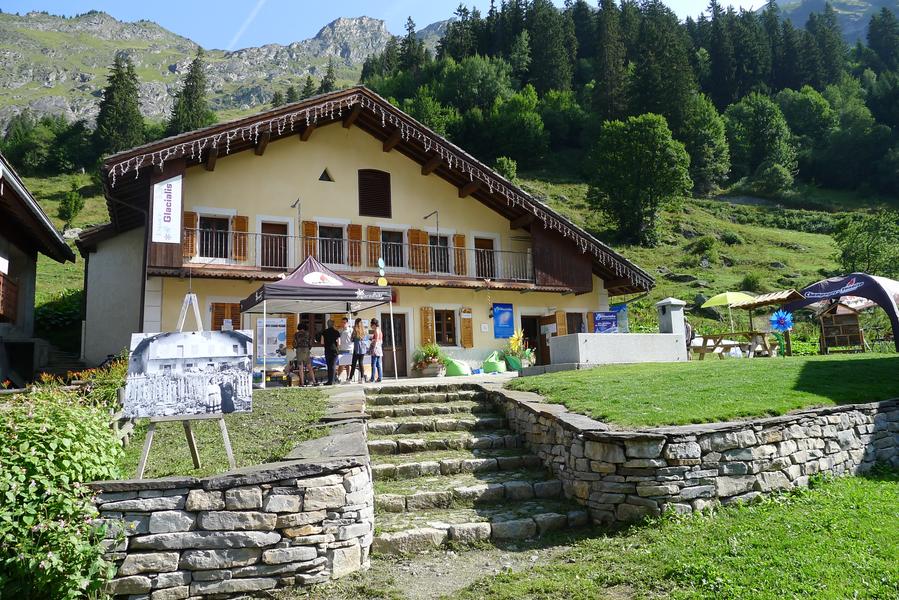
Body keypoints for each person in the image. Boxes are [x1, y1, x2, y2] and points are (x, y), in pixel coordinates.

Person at [293, 320, 316, 386]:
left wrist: (296, 347)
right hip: (306, 350)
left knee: (300, 367)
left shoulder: (296, 334)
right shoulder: (308, 334)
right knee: (309, 366)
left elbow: (294, 343)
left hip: (299, 350)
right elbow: (310, 343)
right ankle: (314, 381)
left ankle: (302, 383)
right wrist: (308, 348)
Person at [319, 319, 341, 385]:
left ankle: (329, 381)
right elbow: (339, 343)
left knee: (329, 366)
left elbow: (322, 342)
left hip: (327, 350)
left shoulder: (324, 332)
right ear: (333, 324)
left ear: (327, 324)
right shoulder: (336, 332)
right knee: (333, 365)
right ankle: (333, 381)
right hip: (334, 350)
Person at [348, 318, 368, 383]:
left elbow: (351, 339)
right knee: (361, 363)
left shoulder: (355, 330)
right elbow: (366, 339)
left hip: (356, 349)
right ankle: (362, 379)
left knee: (353, 364)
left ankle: (350, 379)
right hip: (362, 349)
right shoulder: (364, 331)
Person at [337, 317, 352, 382]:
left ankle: (348, 377)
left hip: (349, 349)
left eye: (344, 322)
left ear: (347, 323)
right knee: (341, 364)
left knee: (348, 364)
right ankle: (338, 377)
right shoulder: (339, 330)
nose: (343, 324)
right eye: (342, 322)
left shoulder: (351, 330)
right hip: (341, 348)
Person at [369, 317, 383, 383]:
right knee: (378, 364)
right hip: (379, 348)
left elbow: (376, 340)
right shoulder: (379, 330)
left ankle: (372, 378)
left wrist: (373, 347)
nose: (371, 326)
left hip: (376, 348)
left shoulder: (376, 330)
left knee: (373, 364)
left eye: (371, 325)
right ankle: (380, 377)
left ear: (374, 324)